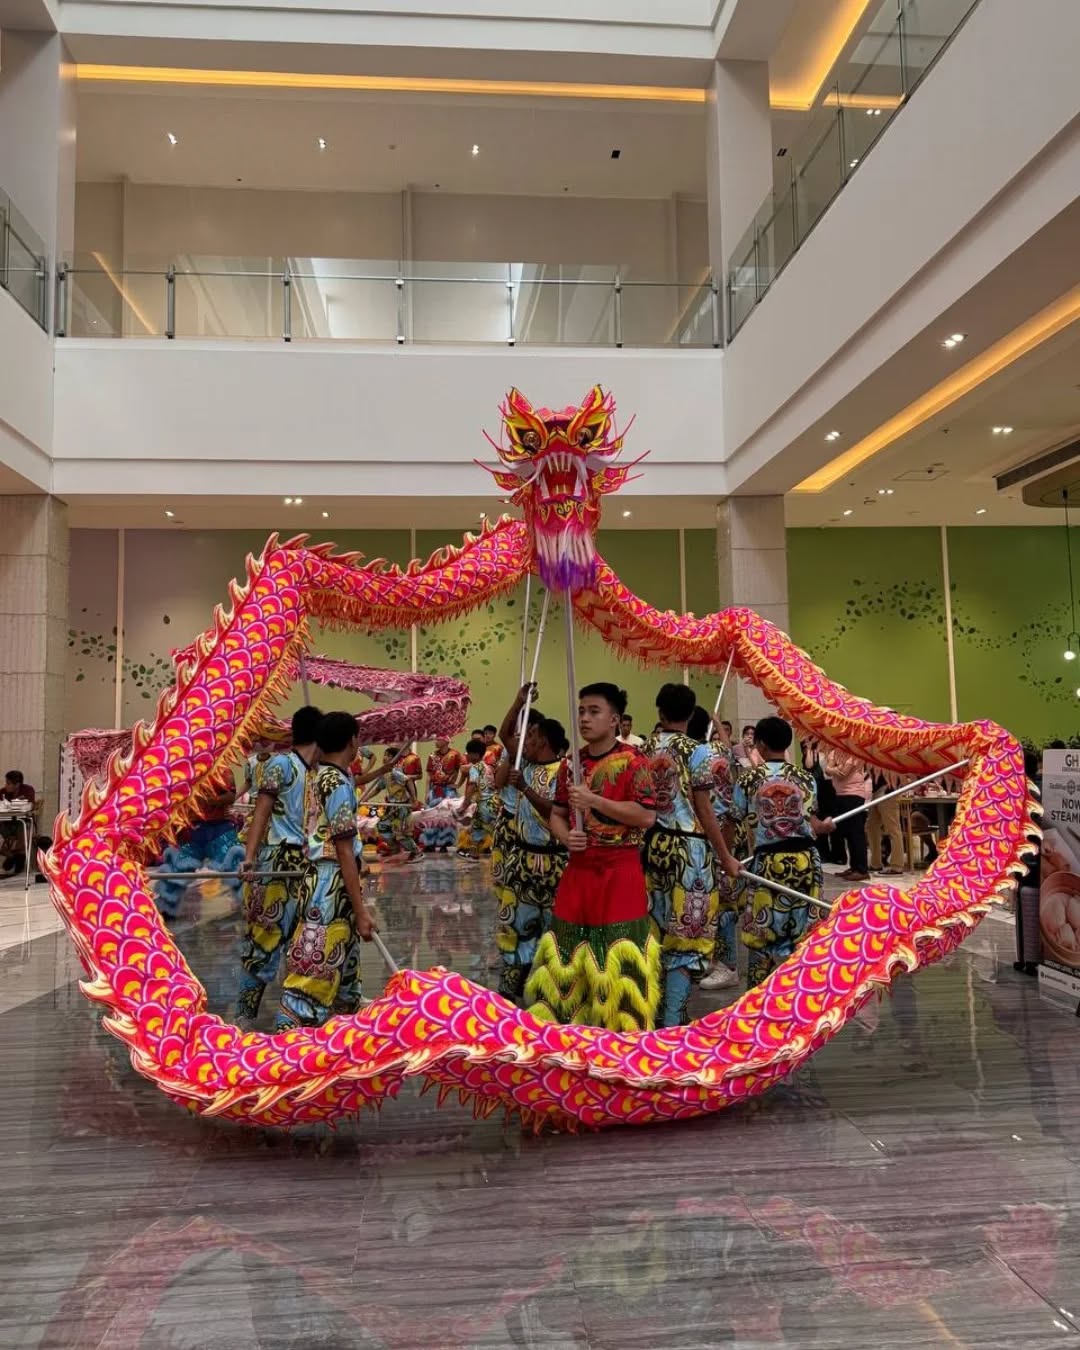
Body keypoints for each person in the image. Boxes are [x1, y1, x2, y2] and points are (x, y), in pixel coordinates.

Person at [524, 682, 662, 1032]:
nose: (584, 718)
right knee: (565, 953)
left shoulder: (635, 762)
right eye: (582, 710)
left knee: (621, 957)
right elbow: (556, 813)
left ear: (615, 720)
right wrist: (565, 836)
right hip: (579, 871)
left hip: (620, 871)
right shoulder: (572, 764)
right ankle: (564, 1039)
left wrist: (594, 802)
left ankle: (622, 1041)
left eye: (594, 711)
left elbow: (646, 816)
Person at [643, 685, 741, 1027]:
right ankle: (672, 1017)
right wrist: (725, 855)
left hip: (652, 847)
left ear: (659, 711)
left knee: (654, 929)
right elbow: (706, 809)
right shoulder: (700, 752)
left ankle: (657, 1011)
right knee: (688, 934)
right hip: (690, 851)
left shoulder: (646, 748)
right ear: (690, 713)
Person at [276, 711, 378, 1030]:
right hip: (330, 881)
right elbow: (343, 849)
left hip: (328, 877)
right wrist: (361, 911)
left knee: (342, 951)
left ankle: (346, 1007)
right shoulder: (335, 781)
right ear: (353, 740)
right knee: (318, 955)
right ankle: (292, 1029)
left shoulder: (330, 776)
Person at [234, 705, 323, 1025]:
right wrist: (249, 856)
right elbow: (261, 812)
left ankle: (293, 1018)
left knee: (308, 942)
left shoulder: (318, 772)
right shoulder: (281, 766)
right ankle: (244, 1015)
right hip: (277, 864)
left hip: (308, 866)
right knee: (263, 942)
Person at [731, 717, 834, 987]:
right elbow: (812, 823)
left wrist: (726, 856)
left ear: (761, 746)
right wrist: (823, 826)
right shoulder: (805, 778)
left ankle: (757, 1002)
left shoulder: (749, 780)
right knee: (804, 935)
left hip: (768, 864)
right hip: (805, 863)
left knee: (762, 937)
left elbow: (732, 820)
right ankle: (801, 999)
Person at [492, 694, 569, 999]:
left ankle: (551, 991)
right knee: (517, 925)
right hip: (522, 857)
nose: (527, 740)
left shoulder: (563, 771)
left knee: (553, 928)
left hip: (554, 864)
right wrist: (518, 701)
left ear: (545, 741)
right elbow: (504, 735)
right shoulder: (525, 761)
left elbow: (556, 813)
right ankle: (512, 988)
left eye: (534, 736)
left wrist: (523, 787)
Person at [687, 706, 742, 993]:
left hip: (710, 832)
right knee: (715, 899)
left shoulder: (693, 756)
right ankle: (715, 957)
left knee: (719, 901)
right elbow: (730, 746)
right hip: (725, 828)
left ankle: (728, 965)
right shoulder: (720, 752)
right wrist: (718, 721)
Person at [361, 745, 422, 861]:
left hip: (401, 807)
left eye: (388, 756)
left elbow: (408, 781)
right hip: (391, 807)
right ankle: (394, 848)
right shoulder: (386, 773)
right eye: (385, 754)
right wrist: (364, 799)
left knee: (402, 834)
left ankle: (417, 852)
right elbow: (377, 788)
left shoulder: (396, 772)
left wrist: (414, 800)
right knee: (382, 826)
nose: (385, 757)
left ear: (395, 759)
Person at [823, 748, 871, 882]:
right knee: (847, 833)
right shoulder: (835, 752)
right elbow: (827, 770)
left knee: (856, 833)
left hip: (854, 794)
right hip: (840, 794)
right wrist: (833, 769)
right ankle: (853, 866)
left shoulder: (854, 752)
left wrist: (832, 769)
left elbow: (843, 773)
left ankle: (861, 869)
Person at [421, 735, 465, 853]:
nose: (436, 741)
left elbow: (465, 769)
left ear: (446, 740)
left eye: (438, 739)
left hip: (448, 791)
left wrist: (459, 784)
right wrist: (426, 792)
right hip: (434, 790)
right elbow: (429, 776)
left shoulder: (455, 755)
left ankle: (445, 843)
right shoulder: (432, 755)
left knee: (446, 818)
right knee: (431, 816)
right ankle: (430, 843)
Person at [457, 737, 498, 859]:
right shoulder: (488, 767)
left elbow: (472, 786)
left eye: (468, 753)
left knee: (486, 828)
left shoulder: (474, 768)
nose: (466, 756)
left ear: (474, 754)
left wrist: (465, 804)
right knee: (478, 826)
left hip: (484, 804)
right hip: (494, 802)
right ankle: (473, 853)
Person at [867, 772, 905, 876]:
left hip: (888, 790)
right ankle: (876, 863)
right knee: (871, 827)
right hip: (877, 790)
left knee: (893, 829)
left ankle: (897, 866)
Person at [0, 770, 36, 877]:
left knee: (23, 825)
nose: (6, 785)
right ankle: (13, 854)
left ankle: (18, 854)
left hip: (22, 822)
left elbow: (30, 805)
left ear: (17, 784)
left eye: (9, 783)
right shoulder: (3, 792)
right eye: (6, 783)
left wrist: (16, 803)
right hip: (7, 823)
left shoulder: (28, 790)